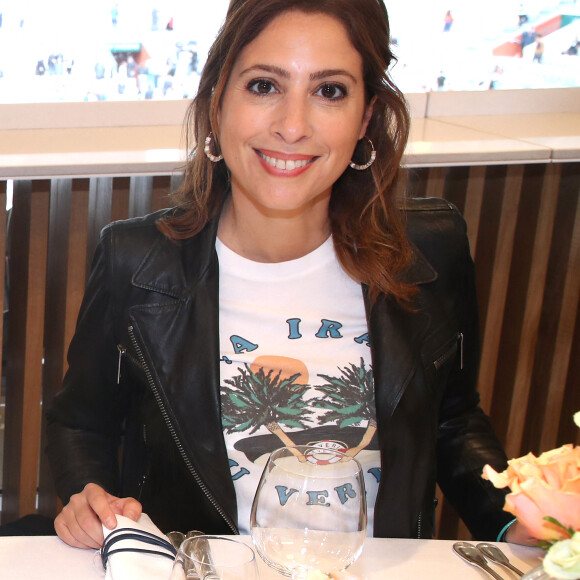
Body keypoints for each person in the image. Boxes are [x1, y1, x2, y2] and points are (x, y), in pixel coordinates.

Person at [46, 0, 536, 550]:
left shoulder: (429, 252)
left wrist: (514, 516)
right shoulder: (135, 261)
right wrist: (86, 493)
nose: (293, 126)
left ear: (366, 118)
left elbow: (452, 420)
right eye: (263, 86)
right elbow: (80, 424)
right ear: (216, 103)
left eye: (329, 91)